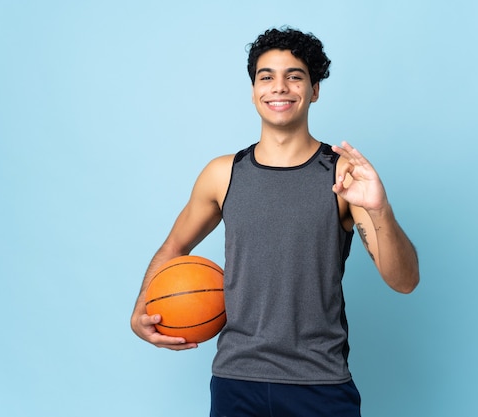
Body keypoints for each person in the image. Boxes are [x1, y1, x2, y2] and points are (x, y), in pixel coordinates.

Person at [131, 27, 419, 417]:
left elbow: (404, 282)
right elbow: (173, 249)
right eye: (266, 76)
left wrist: (381, 209)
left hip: (320, 382)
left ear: (315, 89)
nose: (279, 87)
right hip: (236, 380)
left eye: (294, 76)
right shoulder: (223, 174)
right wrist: (141, 308)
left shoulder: (344, 176)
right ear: (253, 91)